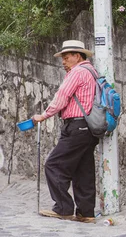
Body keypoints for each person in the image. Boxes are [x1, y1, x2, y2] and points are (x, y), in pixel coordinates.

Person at [32, 40, 99, 223]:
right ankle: (86, 213)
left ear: (77, 56)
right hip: (89, 128)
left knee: (54, 165)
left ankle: (63, 208)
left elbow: (61, 97)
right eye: (63, 57)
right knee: (82, 170)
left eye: (66, 57)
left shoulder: (77, 72)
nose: (63, 61)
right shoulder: (92, 71)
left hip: (76, 126)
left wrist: (43, 116)